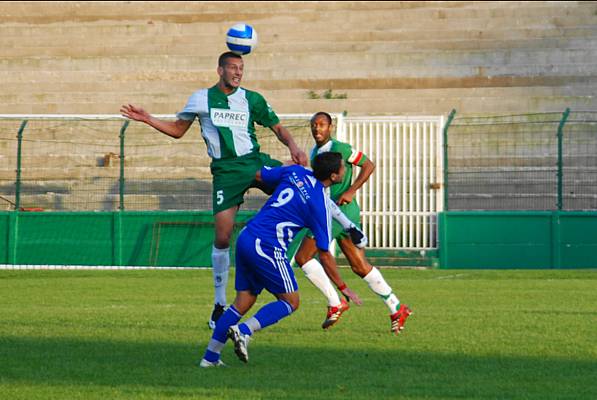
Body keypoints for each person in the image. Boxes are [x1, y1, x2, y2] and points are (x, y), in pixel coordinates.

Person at [120, 51, 308, 329]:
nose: (238, 72)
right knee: (222, 237)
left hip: (253, 162)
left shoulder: (251, 99)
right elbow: (176, 130)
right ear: (219, 70)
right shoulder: (201, 99)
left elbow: (278, 128)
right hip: (226, 171)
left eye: (241, 68)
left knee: (299, 183)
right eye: (232, 67)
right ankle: (220, 302)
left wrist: (293, 147)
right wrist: (148, 118)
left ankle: (305, 245)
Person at [199, 152, 361, 367]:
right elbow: (324, 253)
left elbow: (259, 175)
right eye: (343, 167)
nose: (345, 170)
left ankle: (209, 358)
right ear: (333, 176)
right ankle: (243, 331)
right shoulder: (319, 204)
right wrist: (343, 287)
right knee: (290, 302)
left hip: (247, 236)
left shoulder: (296, 171)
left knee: (243, 301)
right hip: (267, 246)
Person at [294, 111, 412, 334]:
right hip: (335, 212)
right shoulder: (315, 152)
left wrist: (351, 189)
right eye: (313, 125)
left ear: (330, 127)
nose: (317, 129)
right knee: (359, 266)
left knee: (302, 257)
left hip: (338, 211)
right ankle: (396, 307)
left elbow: (368, 165)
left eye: (321, 125)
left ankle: (335, 302)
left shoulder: (342, 149)